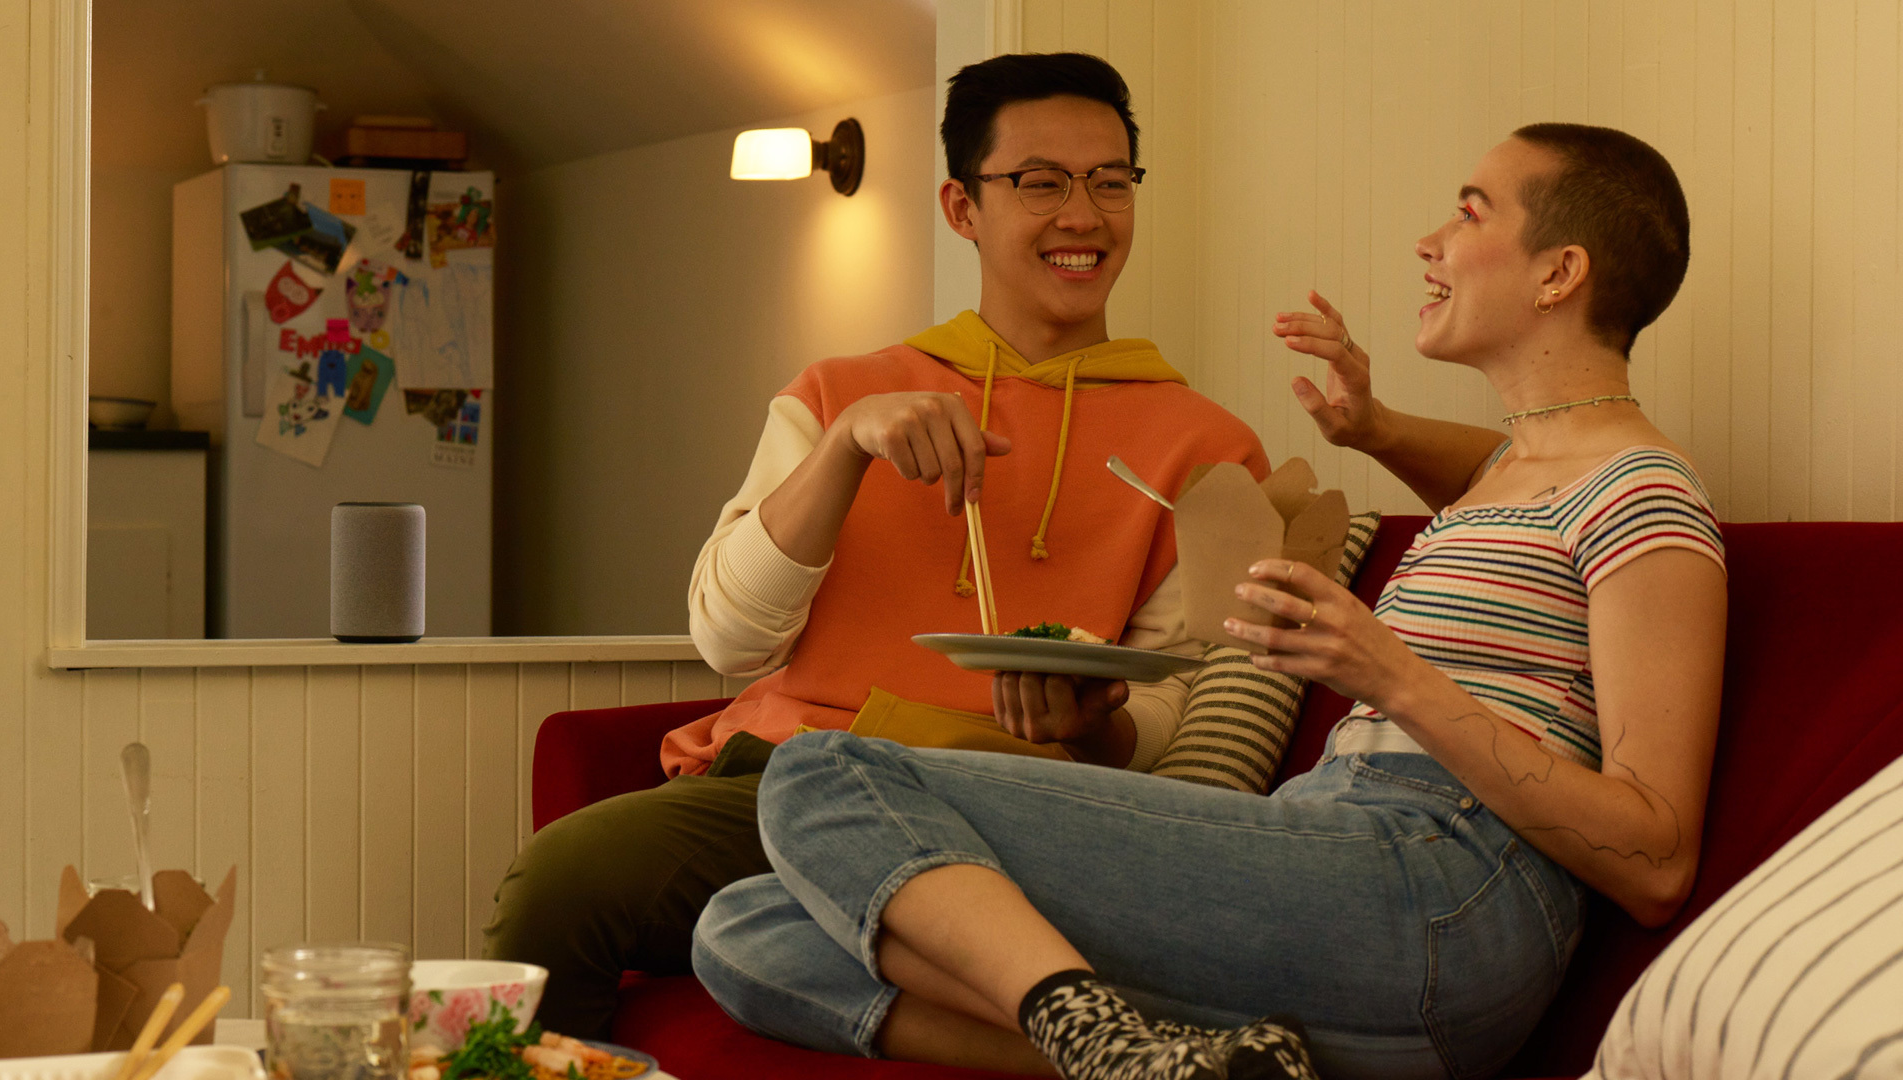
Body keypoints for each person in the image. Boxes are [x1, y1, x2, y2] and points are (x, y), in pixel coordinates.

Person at [690, 122, 1728, 1080]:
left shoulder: (1644, 495)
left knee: (822, 776)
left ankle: (1083, 1030)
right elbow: (1514, 464)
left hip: (1441, 894)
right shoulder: (1514, 471)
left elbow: (1656, 856)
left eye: (1468, 211)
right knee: (746, 927)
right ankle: (1181, 1064)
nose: (1429, 242)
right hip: (1330, 857)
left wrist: (1391, 677)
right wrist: (1367, 426)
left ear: (1560, 271)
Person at [484, 52, 1272, 1036]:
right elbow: (729, 644)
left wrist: (1091, 724)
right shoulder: (838, 393)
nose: (1084, 214)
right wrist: (845, 450)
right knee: (565, 880)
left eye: (1110, 182)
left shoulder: (1208, 448)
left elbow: (1176, 703)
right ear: (961, 207)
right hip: (794, 780)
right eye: (1041, 183)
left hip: (1012, 812)